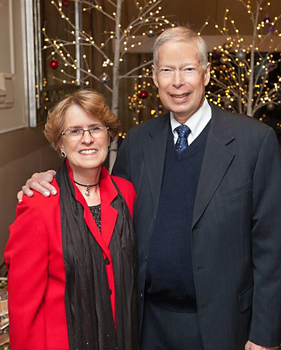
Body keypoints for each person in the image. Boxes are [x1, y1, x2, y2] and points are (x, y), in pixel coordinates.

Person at [18, 27, 281, 350]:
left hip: (224, 325)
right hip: (145, 325)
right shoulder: (138, 143)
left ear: (206, 74)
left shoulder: (254, 142)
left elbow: (272, 244)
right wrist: (47, 180)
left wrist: (265, 333)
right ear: (155, 77)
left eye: (188, 69)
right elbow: (106, 206)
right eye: (167, 70)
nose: (177, 82)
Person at [5, 89, 138, 350]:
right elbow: (23, 308)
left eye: (95, 129)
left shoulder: (127, 194)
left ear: (108, 136)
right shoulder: (38, 205)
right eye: (75, 131)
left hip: (125, 338)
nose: (87, 139)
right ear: (60, 143)